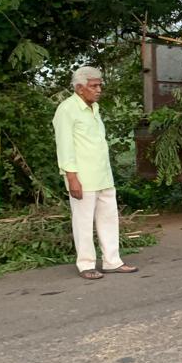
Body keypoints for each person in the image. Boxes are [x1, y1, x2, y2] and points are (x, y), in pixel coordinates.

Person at [52, 66, 139, 280]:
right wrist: (72, 178)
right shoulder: (67, 109)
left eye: (100, 85)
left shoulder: (95, 108)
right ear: (79, 88)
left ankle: (112, 261)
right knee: (83, 222)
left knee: (109, 219)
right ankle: (86, 264)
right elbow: (64, 146)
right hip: (82, 177)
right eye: (94, 86)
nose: (99, 90)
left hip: (103, 175)